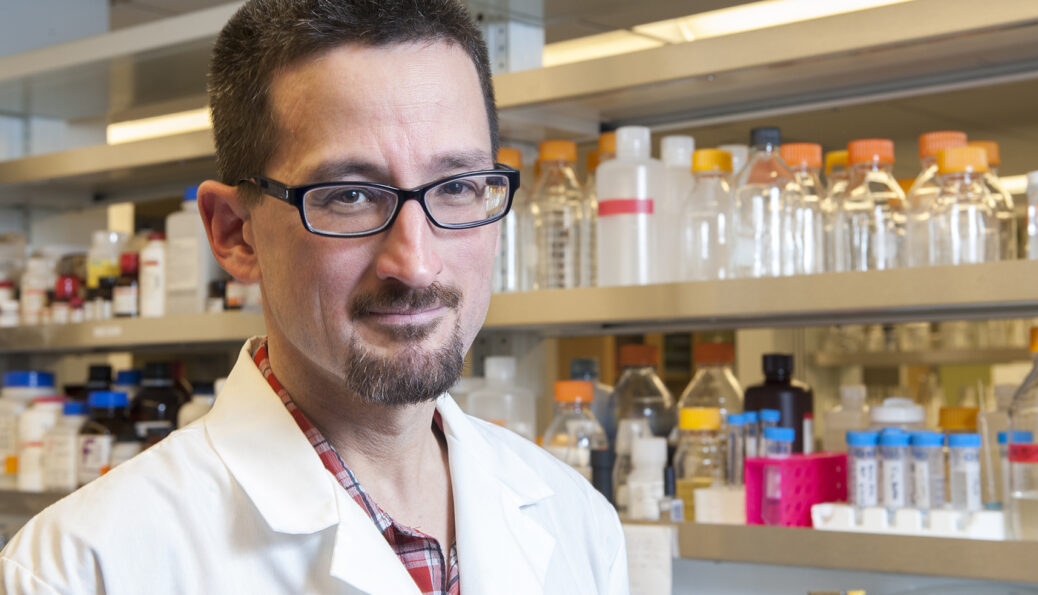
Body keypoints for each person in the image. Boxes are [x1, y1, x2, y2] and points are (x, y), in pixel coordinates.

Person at [0, 1, 627, 593]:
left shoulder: (579, 523)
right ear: (235, 232)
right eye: (349, 196)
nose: (415, 262)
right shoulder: (80, 568)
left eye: (458, 187)